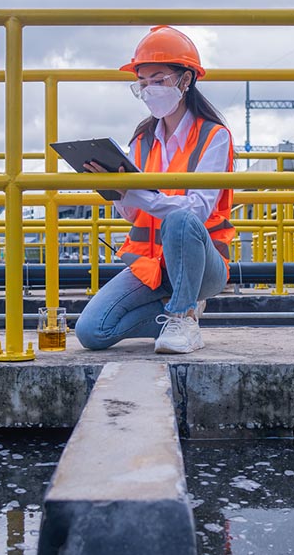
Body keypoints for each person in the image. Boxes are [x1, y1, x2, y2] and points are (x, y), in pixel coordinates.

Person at [75, 25, 235, 355]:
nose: (149, 90)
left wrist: (138, 193)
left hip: (203, 266)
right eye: (143, 82)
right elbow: (135, 213)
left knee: (180, 217)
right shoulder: (141, 140)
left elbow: (198, 211)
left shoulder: (214, 136)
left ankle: (184, 314)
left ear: (186, 80)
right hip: (152, 265)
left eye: (159, 79)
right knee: (91, 331)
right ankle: (176, 311)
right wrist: (117, 192)